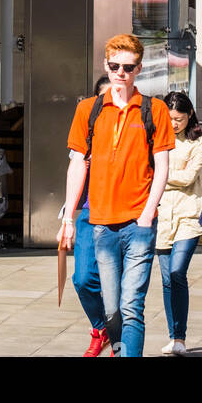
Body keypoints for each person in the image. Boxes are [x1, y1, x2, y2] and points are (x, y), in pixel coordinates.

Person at [59, 33, 175, 358]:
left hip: (138, 222)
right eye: (114, 66)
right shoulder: (88, 110)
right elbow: (77, 165)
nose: (121, 73)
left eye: (128, 67)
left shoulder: (155, 110)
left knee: (131, 305)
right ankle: (116, 345)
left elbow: (163, 166)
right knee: (112, 310)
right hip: (101, 224)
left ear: (139, 68)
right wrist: (68, 217)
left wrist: (148, 213)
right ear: (106, 66)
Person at [156, 92, 202, 356]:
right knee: (167, 279)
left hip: (189, 212)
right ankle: (176, 337)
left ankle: (180, 335)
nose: (174, 124)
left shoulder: (201, 139)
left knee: (178, 272)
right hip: (160, 213)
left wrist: (159, 175)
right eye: (169, 119)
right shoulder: (156, 136)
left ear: (190, 116)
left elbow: (190, 177)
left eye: (179, 119)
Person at [67, 74, 111, 356]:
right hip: (88, 209)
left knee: (118, 286)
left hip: (122, 213)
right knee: (83, 279)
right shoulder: (87, 127)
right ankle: (100, 327)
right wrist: (67, 217)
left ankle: (119, 342)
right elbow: (74, 168)